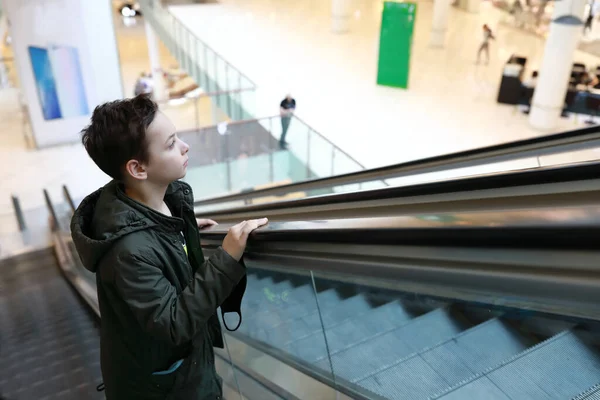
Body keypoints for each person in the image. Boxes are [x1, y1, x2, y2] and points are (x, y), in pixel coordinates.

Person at [70, 94, 268, 400]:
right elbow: (173, 322)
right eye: (171, 143)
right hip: (163, 388)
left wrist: (181, 229)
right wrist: (226, 257)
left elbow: (155, 236)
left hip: (184, 371)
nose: (185, 146)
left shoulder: (159, 201)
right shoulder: (127, 253)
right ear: (137, 169)